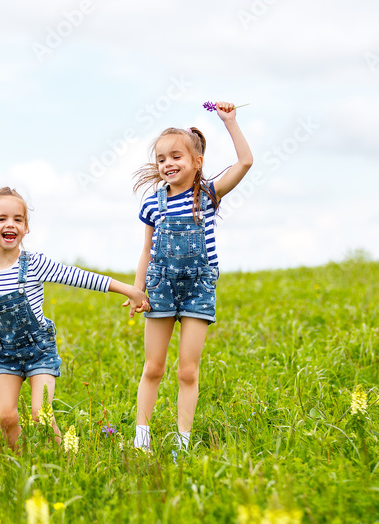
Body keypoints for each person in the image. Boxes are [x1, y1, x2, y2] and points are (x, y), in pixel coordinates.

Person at [0, 187, 149, 450]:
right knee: (5, 416)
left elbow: (80, 277)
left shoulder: (34, 264)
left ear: (26, 228)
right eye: (2, 219)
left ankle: (63, 461)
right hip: (4, 355)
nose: (11, 224)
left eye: (18, 219)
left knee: (40, 415)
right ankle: (22, 462)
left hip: (38, 351)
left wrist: (130, 290)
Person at [126, 101, 253, 451]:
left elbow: (245, 162)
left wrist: (229, 122)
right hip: (161, 287)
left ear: (197, 162)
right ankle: (142, 437)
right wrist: (138, 290)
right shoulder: (153, 204)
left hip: (198, 289)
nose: (168, 164)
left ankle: (183, 442)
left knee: (187, 371)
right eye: (162, 158)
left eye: (176, 156)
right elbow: (147, 250)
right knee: (153, 367)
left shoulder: (208, 194)